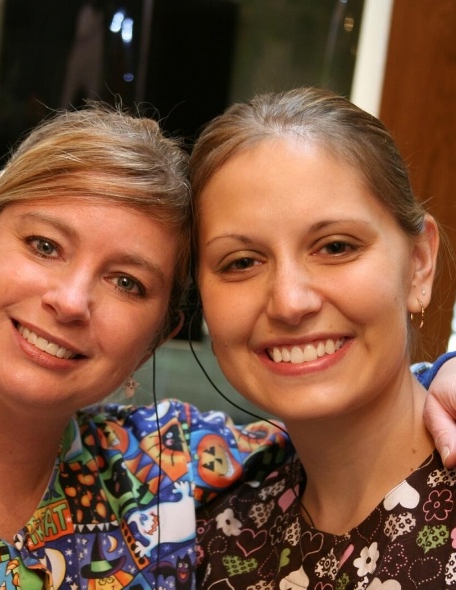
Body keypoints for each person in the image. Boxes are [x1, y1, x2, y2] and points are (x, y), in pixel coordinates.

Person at [0, 101, 454, 590]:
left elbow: (362, 422)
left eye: (128, 282)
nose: (71, 300)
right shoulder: (225, 514)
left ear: (162, 333)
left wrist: (442, 376)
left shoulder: (167, 471)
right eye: (45, 245)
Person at [192, 87, 456, 588]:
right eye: (242, 262)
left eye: (335, 247)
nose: (290, 302)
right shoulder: (218, 531)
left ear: (419, 264)